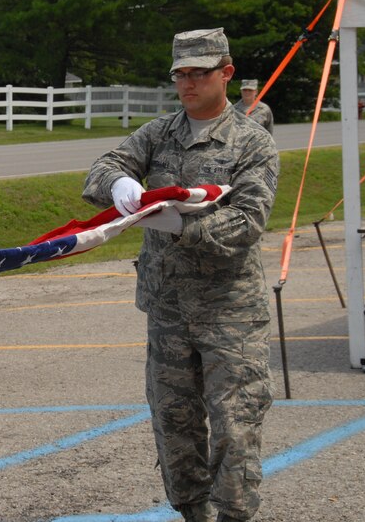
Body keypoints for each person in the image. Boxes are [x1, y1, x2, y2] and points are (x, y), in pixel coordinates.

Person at [82, 28, 278, 522]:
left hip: (228, 310)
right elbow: (101, 169)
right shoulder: (159, 132)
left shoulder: (253, 141)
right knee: (175, 423)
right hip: (168, 307)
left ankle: (232, 516)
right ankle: (191, 512)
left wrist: (177, 225)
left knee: (235, 425)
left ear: (226, 73)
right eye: (181, 74)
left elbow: (249, 220)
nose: (188, 83)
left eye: (200, 73)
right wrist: (120, 181)